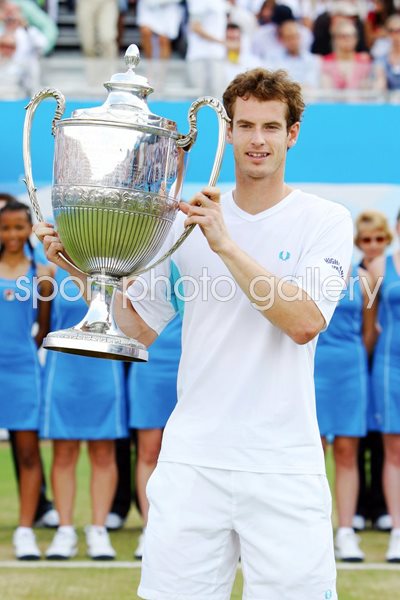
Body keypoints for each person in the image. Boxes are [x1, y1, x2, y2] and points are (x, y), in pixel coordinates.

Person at [35, 67, 353, 598]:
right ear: (226, 131)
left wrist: (226, 243)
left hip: (281, 462)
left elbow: (304, 322)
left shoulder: (323, 220)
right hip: (191, 458)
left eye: (271, 128)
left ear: (292, 134)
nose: (257, 140)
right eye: (245, 125)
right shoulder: (185, 222)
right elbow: (138, 329)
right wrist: (83, 268)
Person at [41, 266, 128, 560]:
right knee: (64, 452)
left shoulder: (115, 265)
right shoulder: (50, 267)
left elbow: (126, 315)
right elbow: (42, 323)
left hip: (104, 371)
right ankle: (65, 530)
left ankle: (98, 530)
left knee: (103, 453)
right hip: (63, 371)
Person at [0, 192, 58, 530]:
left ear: (29, 230)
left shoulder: (43, 274)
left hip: (23, 373)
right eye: (4, 228)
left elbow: (43, 330)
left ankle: (25, 528)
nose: (11, 235)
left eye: (19, 228)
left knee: (27, 453)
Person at [314, 262, 377, 562]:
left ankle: (346, 532)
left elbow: (369, 331)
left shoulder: (364, 279)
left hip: (350, 370)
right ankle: (316, 529)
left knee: (346, 452)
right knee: (314, 451)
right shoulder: (308, 271)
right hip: (312, 368)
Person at [130, 313, 181, 559]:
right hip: (150, 359)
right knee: (148, 450)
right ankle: (149, 528)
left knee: (201, 447)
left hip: (198, 360)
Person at [353, 210, 393, 533]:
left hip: (382, 361)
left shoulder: (389, 272)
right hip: (358, 360)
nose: (373, 245)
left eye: (379, 239)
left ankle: (379, 505)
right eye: (367, 240)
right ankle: (358, 506)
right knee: (356, 438)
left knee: (383, 438)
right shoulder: (352, 274)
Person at [369, 210, 400, 562]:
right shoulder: (378, 269)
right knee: (393, 451)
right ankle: (397, 532)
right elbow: (367, 324)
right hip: (391, 367)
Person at [320, 19, 372, 91]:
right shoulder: (326, 61)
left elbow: (366, 91)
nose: (347, 39)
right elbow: (326, 90)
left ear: (356, 39)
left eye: (351, 36)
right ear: (335, 39)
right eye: (343, 36)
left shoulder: (364, 62)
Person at [375, 14, 400, 91]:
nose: (395, 34)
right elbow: (380, 83)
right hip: (389, 101)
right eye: (391, 31)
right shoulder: (382, 57)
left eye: (398, 31)